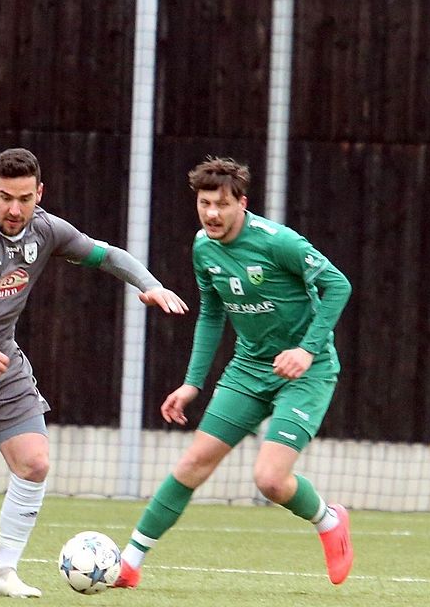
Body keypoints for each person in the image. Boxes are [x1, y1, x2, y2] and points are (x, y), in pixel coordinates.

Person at [0, 147, 189, 597]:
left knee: (35, 463)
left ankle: (3, 573)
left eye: (24, 198)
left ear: (39, 193)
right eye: (5, 197)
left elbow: (106, 255)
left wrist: (151, 285)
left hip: (4, 367)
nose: (14, 209)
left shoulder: (46, 231)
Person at [113, 156, 354, 589]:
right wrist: (192, 383)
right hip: (247, 369)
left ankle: (329, 520)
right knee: (192, 463)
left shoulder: (280, 243)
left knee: (270, 479)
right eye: (205, 203)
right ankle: (128, 563)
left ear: (242, 203)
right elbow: (211, 313)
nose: (211, 213)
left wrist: (305, 349)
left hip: (306, 371)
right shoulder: (203, 247)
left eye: (221, 204)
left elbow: (338, 285)